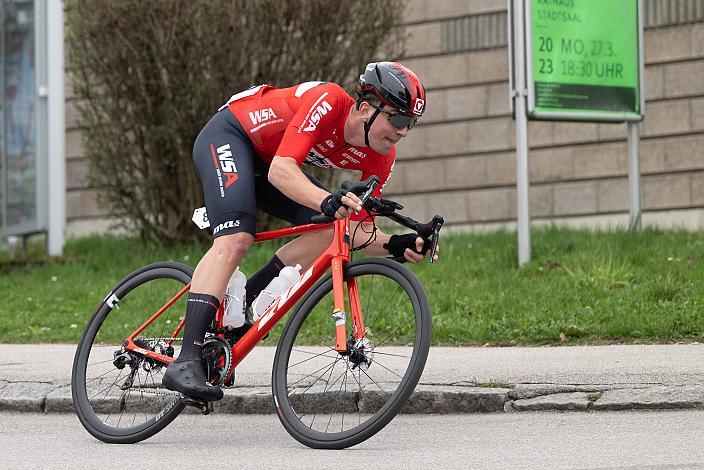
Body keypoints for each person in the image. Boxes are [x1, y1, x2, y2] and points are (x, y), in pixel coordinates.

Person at [162, 61, 438, 401]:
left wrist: (400, 243)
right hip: (232, 137)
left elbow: (359, 230)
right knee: (236, 239)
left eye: (411, 123)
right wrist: (326, 200)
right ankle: (186, 359)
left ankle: (245, 301)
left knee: (335, 227)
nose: (403, 131)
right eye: (397, 119)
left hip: (269, 162)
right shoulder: (328, 100)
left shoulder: (381, 157)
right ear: (365, 108)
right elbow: (281, 170)